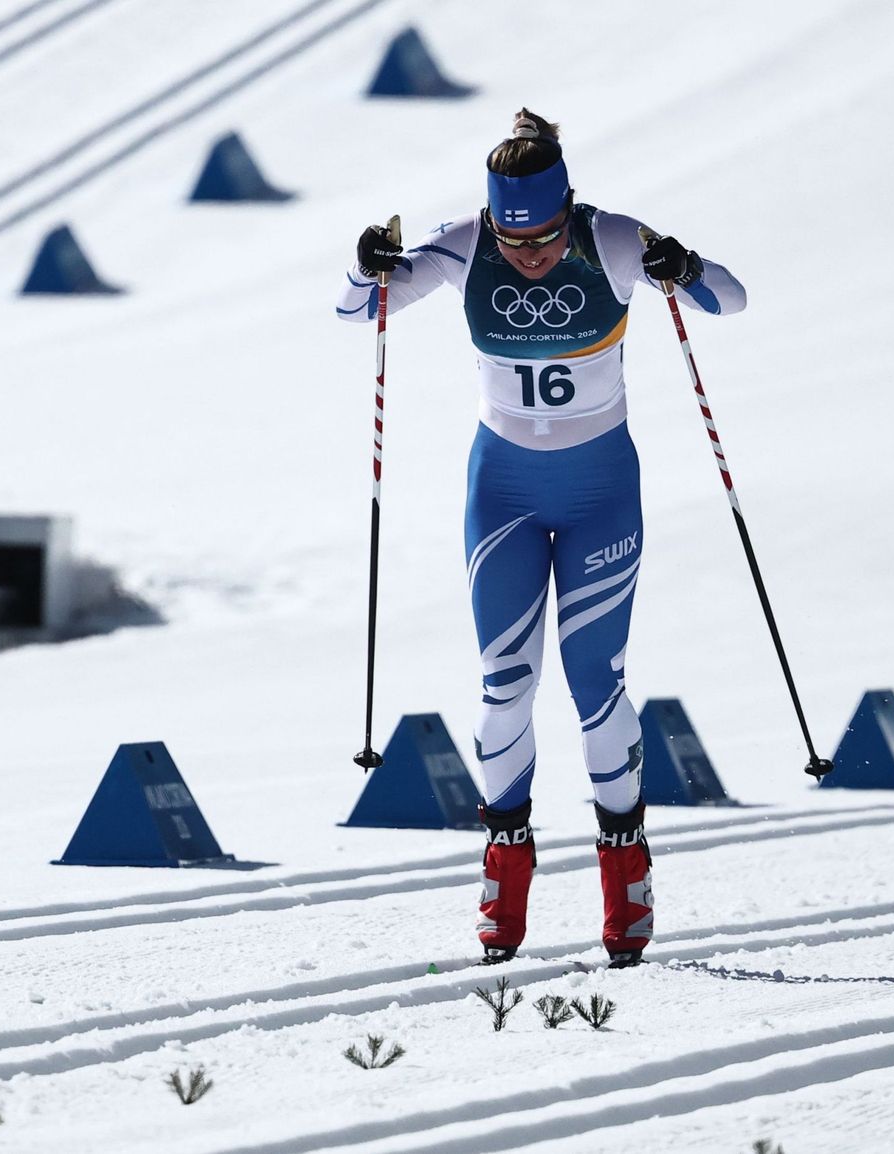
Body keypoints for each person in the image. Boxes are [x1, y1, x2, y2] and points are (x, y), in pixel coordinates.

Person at [336, 109, 746, 967]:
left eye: (545, 238)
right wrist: (364, 260)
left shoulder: (615, 239)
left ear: (569, 209)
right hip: (506, 493)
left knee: (596, 683)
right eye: (513, 240)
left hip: (600, 492)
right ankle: (503, 871)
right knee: (505, 684)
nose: (529, 255)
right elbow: (353, 309)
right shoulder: (460, 246)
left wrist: (686, 266)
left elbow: (729, 300)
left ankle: (626, 874)